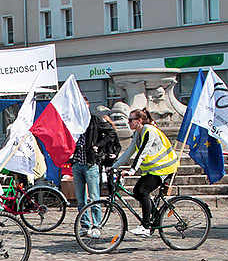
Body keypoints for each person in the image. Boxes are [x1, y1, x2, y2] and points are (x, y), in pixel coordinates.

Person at [111, 108, 178, 237]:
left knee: (143, 191)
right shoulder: (138, 133)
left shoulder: (149, 131)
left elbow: (143, 152)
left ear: (139, 121)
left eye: (131, 120)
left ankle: (146, 226)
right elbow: (129, 151)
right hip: (154, 169)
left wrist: (131, 171)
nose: (128, 122)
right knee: (137, 191)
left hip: (164, 168)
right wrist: (114, 166)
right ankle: (156, 216)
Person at [71, 98, 119, 238]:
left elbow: (111, 133)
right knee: (80, 199)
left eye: (84, 106)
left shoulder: (94, 120)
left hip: (91, 163)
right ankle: (85, 225)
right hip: (77, 163)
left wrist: (98, 145)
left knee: (94, 197)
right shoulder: (73, 121)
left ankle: (96, 225)